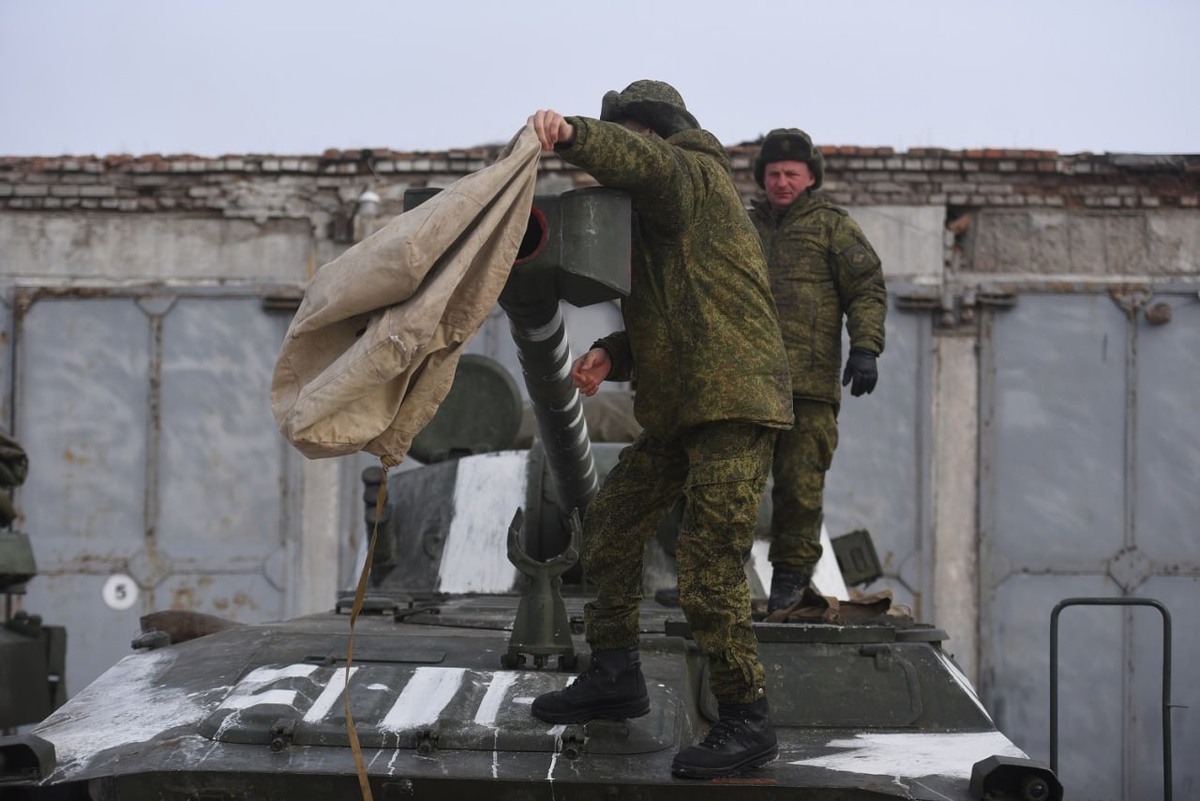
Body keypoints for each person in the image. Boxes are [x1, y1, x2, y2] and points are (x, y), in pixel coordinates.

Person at [526, 80, 794, 780]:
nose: (630, 154)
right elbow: (677, 315)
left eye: (633, 137)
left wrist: (575, 133)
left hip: (732, 403)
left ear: (655, 133)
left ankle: (745, 716)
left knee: (707, 567)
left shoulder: (691, 173)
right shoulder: (655, 226)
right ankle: (615, 674)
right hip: (682, 407)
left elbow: (645, 165)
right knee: (610, 524)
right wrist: (613, 353)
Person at [748, 129, 888, 613]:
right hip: (743, 384)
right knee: (726, 485)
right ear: (762, 178)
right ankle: (713, 576)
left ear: (810, 177)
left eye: (791, 173)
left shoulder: (832, 227)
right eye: (773, 173)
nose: (782, 181)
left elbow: (867, 285)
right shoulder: (743, 226)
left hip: (807, 385)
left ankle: (789, 579)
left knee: (800, 488)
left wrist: (865, 347)